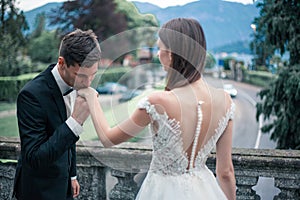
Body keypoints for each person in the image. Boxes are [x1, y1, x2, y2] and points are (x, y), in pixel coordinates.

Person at [78, 18, 236, 200]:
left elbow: (107, 138)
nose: (157, 55)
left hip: (163, 191)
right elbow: (226, 172)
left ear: (171, 54)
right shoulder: (225, 100)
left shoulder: (158, 102)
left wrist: (91, 96)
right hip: (205, 191)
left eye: (160, 49)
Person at [13, 29, 101, 200]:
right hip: (39, 190)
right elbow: (34, 158)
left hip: (65, 185)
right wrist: (76, 121)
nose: (87, 83)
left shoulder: (76, 85)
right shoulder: (31, 95)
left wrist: (72, 175)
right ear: (61, 63)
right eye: (81, 76)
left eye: (93, 75)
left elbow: (68, 140)